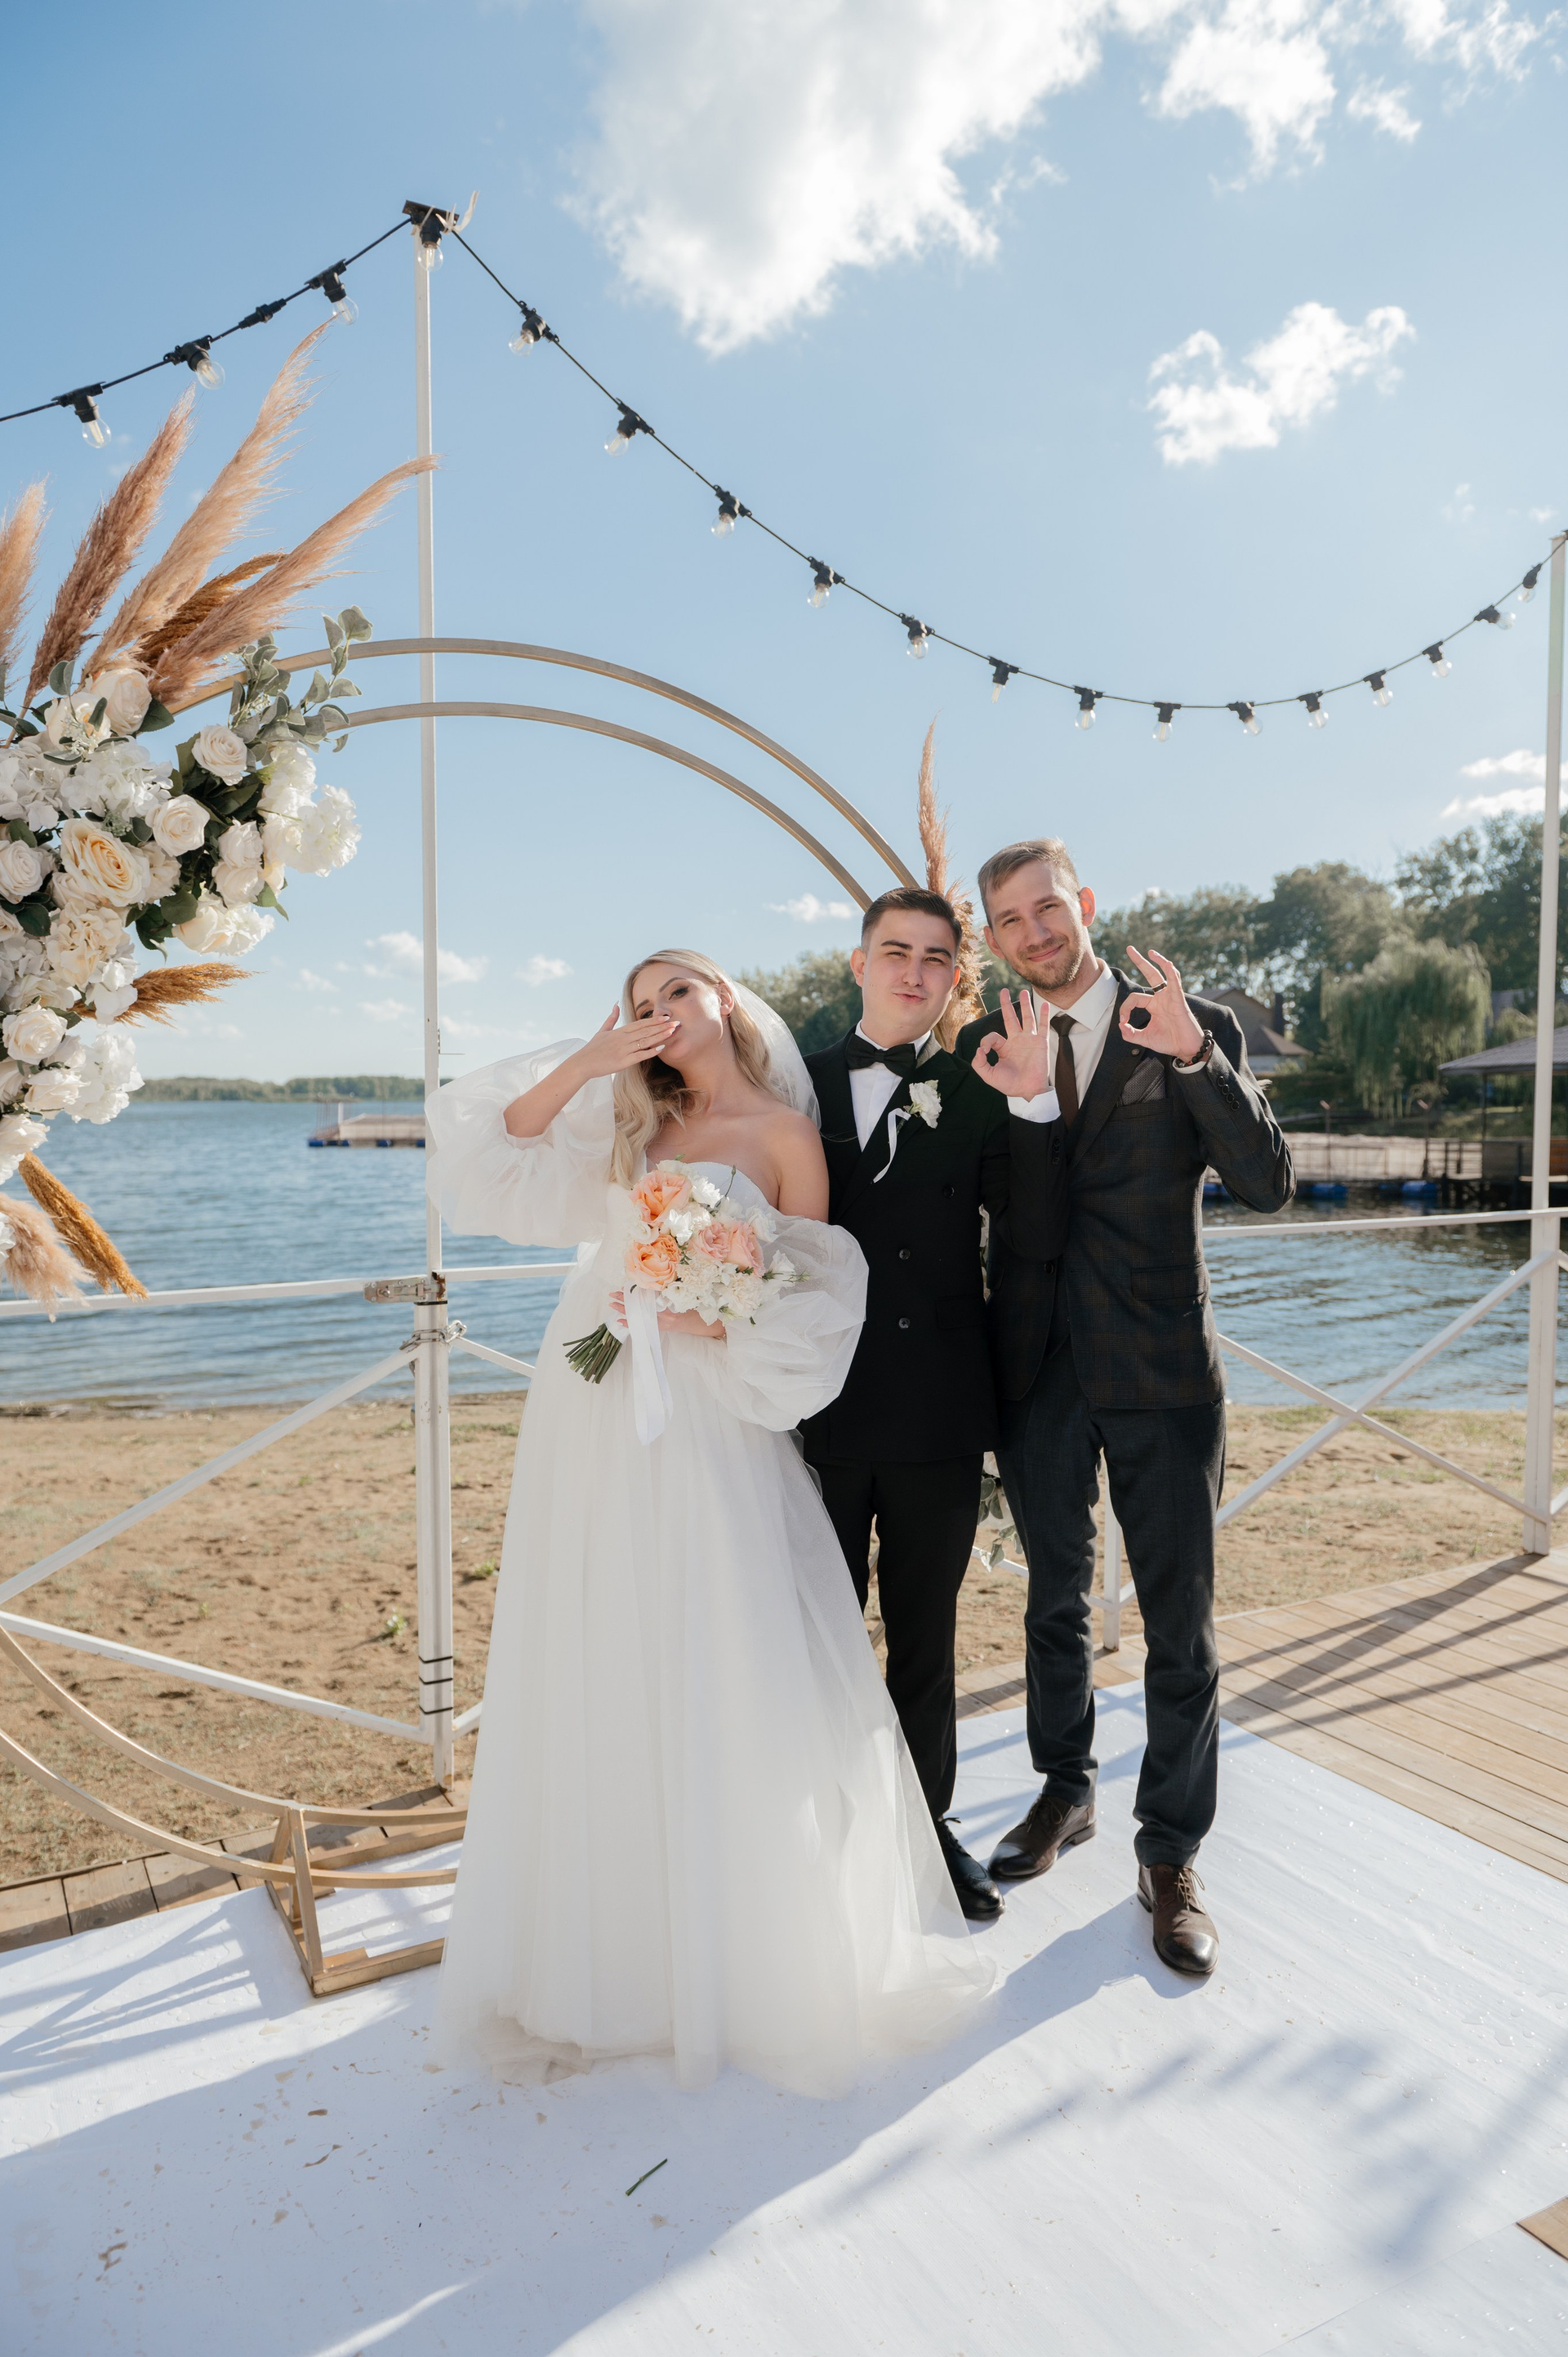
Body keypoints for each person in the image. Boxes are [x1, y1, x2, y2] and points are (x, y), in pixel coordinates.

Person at [424, 948, 995, 2097]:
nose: (661, 1015)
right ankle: (609, 1945)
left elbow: (819, 1295)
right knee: (605, 1635)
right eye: (641, 1005)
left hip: (706, 1411)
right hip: (594, 1397)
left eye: (676, 992)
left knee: (721, 1637)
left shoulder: (786, 1134)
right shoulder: (628, 1120)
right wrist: (593, 1060)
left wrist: (715, 1315)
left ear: (723, 999)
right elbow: (495, 1150)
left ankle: (741, 1943)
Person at [956, 840, 1294, 1976]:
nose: (1035, 932)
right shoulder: (987, 1044)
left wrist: (1196, 1057)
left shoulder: (1190, 1021)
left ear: (1084, 903)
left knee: (1180, 1624)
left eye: (1047, 906)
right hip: (1039, 1369)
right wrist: (1026, 1100)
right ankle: (1066, 1789)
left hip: (1163, 1365)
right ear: (992, 937)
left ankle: (1171, 1854)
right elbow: (1015, 1218)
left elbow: (1267, 1184)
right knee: (1052, 1601)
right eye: (1010, 919)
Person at [801, 887, 1067, 1923]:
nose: (914, 972)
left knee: (925, 1636)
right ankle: (821, 1832)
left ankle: (926, 1833)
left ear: (957, 976)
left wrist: (1034, 1103)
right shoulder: (795, 1084)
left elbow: (1034, 1230)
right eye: (895, 951)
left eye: (936, 958)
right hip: (815, 1409)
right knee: (815, 1632)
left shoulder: (977, 1083)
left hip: (940, 1409)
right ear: (858, 962)